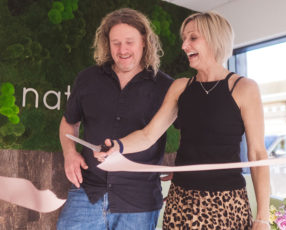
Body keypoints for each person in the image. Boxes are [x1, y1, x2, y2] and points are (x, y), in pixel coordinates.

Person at [95, 11, 270, 230]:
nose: (184, 45)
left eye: (193, 38)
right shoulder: (180, 87)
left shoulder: (244, 88)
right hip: (182, 200)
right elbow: (149, 135)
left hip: (227, 203)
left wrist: (263, 217)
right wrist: (117, 146)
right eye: (184, 39)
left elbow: (257, 154)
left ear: (215, 38)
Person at [57, 8, 174, 230]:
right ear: (107, 44)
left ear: (144, 42)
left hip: (139, 200)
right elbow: (69, 122)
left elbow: (193, 129)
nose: (122, 50)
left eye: (129, 42)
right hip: (87, 192)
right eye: (116, 43)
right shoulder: (87, 78)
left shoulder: (165, 86)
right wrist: (69, 153)